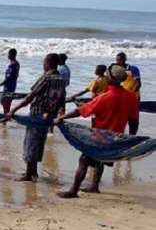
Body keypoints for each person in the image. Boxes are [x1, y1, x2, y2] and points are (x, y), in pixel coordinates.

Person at [55, 64, 139, 198]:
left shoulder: (104, 97)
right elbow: (134, 121)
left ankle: (73, 190)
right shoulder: (131, 97)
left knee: (84, 161)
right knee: (100, 160)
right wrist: (131, 139)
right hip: (116, 139)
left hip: (99, 137)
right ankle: (94, 186)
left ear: (110, 78)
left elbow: (81, 111)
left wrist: (62, 117)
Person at [6, 53, 66, 182]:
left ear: (48, 63)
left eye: (44, 62)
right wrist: (61, 114)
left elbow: (31, 96)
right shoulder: (61, 79)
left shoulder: (46, 77)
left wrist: (14, 110)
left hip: (37, 113)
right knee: (39, 143)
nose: (43, 65)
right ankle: (34, 172)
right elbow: (62, 99)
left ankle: (28, 174)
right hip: (48, 117)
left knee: (31, 142)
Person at [116, 52, 141, 135]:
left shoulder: (133, 68)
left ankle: (132, 137)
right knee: (120, 119)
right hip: (122, 99)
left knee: (133, 119)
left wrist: (131, 95)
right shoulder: (117, 71)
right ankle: (119, 137)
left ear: (124, 60)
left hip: (134, 98)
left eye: (119, 60)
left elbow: (138, 83)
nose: (117, 62)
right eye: (116, 60)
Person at [0, 48, 20, 114]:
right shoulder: (17, 64)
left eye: (8, 54)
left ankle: (6, 118)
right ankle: (6, 118)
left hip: (8, 87)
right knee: (7, 104)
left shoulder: (12, 66)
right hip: (13, 86)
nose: (7, 55)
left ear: (11, 55)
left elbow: (7, 79)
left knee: (5, 104)